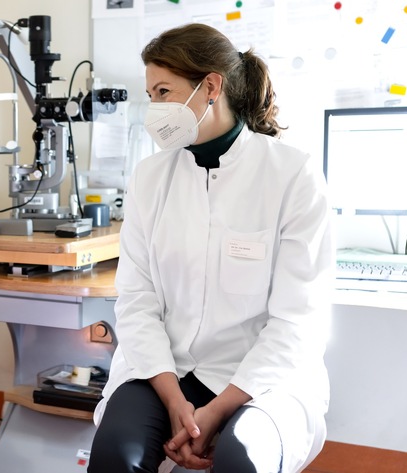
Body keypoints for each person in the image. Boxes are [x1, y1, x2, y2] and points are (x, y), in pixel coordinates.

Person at [88, 23, 332, 473]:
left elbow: (298, 320)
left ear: (211, 87)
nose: (155, 108)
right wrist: (175, 399)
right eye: (151, 94)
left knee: (242, 461)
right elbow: (138, 301)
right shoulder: (150, 178)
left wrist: (216, 411)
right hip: (166, 370)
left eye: (164, 91)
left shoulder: (292, 175)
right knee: (114, 457)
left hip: (259, 378)